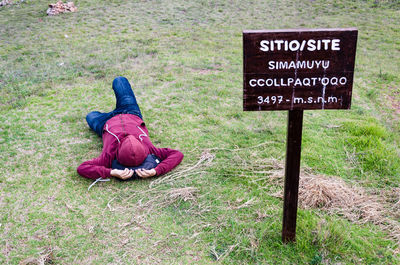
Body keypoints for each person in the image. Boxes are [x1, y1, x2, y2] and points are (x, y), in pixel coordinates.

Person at [77, 76, 184, 181]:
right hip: (130, 111)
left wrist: (111, 172)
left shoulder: (109, 156)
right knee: (119, 80)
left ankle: (104, 114)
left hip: (105, 122)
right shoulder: (150, 150)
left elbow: (82, 168)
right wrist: (156, 170)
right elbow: (177, 154)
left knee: (90, 115)